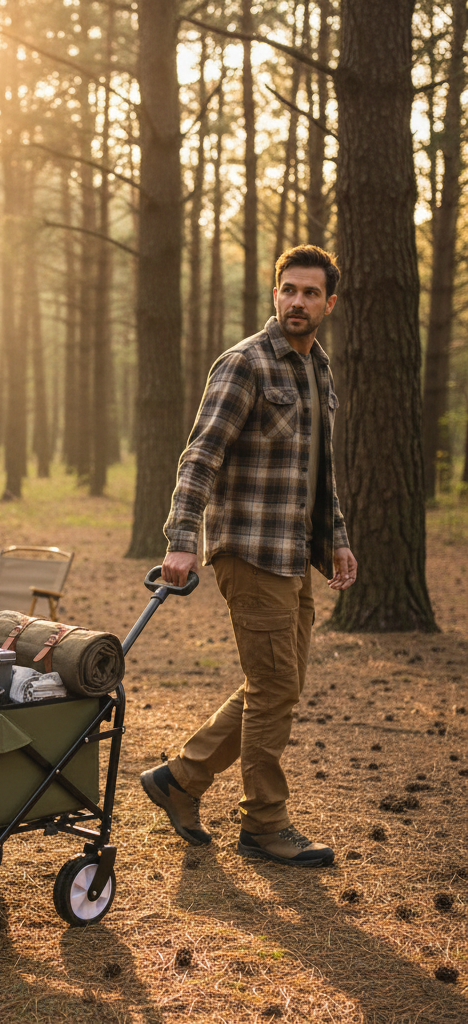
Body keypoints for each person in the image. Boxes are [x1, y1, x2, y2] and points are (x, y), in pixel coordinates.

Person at [141, 244, 357, 868]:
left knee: (277, 687)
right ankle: (265, 825)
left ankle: (180, 780)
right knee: (273, 688)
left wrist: (336, 538)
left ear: (328, 304)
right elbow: (200, 456)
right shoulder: (245, 364)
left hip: (294, 553)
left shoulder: (318, 372)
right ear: (275, 294)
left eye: (310, 293)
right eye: (288, 289)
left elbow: (322, 475)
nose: (297, 301)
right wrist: (181, 539)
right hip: (250, 550)